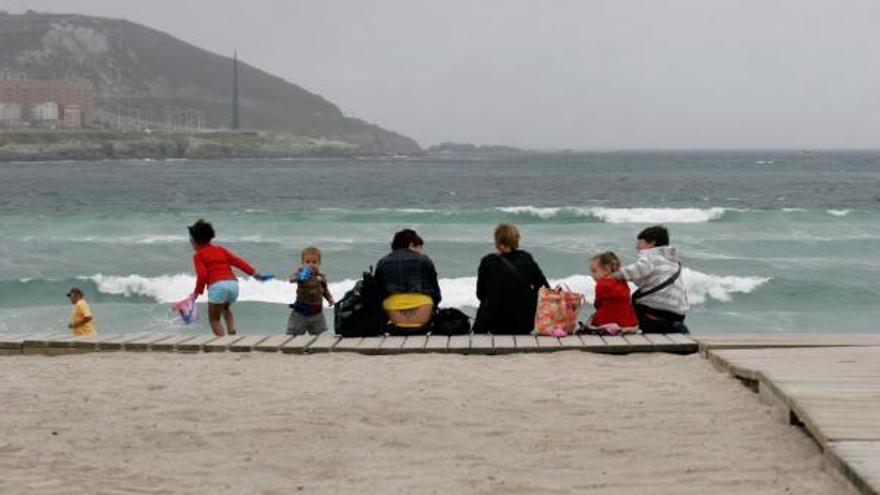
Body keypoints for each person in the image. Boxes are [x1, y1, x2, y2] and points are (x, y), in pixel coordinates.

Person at [188, 219, 264, 336]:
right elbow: (238, 262)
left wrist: (197, 293)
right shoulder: (220, 250)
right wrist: (254, 273)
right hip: (233, 285)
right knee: (225, 308)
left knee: (214, 319)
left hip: (218, 286)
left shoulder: (198, 255)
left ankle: (222, 342)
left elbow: (202, 275)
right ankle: (231, 331)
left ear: (195, 241)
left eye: (191, 240)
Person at [473, 223, 549, 334]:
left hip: (495, 324)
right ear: (516, 240)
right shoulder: (526, 258)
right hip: (524, 324)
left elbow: (480, 294)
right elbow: (544, 288)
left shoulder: (487, 261)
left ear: (497, 241)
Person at [614, 225, 690, 333]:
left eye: (640, 243)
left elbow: (640, 269)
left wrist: (616, 274)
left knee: (636, 298)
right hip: (678, 314)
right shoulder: (673, 261)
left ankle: (638, 329)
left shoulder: (650, 255)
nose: (637, 247)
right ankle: (676, 328)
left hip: (654, 311)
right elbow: (651, 279)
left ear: (652, 243)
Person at [374, 229, 441, 333]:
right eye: (419, 248)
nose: (420, 252)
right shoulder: (424, 260)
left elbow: (377, 293)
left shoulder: (383, 262)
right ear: (411, 245)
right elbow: (436, 293)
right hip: (423, 317)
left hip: (394, 318)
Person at [583, 251, 639, 334]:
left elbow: (597, 304)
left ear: (607, 269)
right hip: (628, 323)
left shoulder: (602, 284)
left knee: (591, 320)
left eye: (594, 271)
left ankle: (610, 328)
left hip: (607, 321)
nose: (592, 275)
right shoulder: (622, 281)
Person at [287, 246, 335, 336]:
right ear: (302, 263)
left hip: (317, 314)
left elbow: (325, 290)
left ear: (319, 263)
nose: (311, 264)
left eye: (314, 262)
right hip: (301, 314)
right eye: (307, 262)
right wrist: (299, 276)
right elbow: (291, 279)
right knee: (293, 336)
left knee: (321, 336)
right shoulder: (301, 274)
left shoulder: (321, 277)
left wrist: (330, 299)